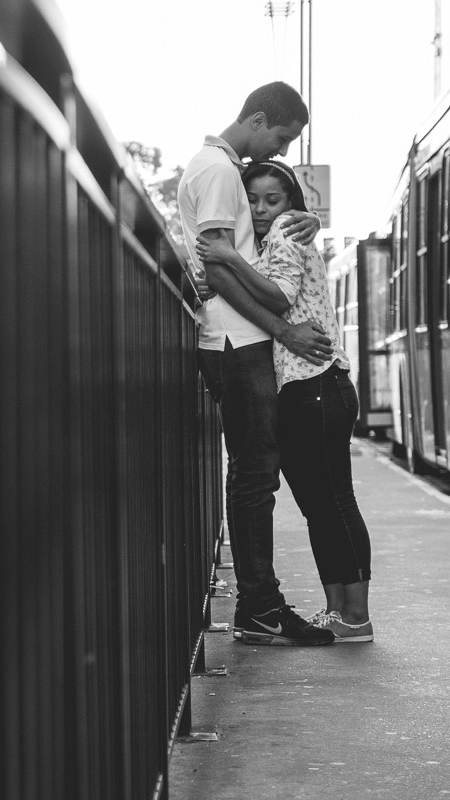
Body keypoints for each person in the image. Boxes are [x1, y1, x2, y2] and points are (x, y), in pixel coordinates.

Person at [178, 81, 335, 646]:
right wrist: (285, 330)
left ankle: (260, 605)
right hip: (236, 342)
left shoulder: (219, 168)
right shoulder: (218, 171)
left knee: (254, 473)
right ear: (260, 119)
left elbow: (236, 254)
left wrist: (307, 220)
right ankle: (261, 608)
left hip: (238, 340)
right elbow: (219, 269)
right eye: (283, 138)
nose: (283, 150)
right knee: (254, 476)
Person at [196, 160, 374, 643]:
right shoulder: (272, 239)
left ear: (290, 203)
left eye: (272, 200)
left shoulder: (284, 233)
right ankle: (339, 612)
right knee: (321, 505)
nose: (260, 209)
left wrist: (228, 259)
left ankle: (356, 615)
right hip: (307, 387)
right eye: (252, 200)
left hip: (316, 384)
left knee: (333, 502)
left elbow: (278, 297)